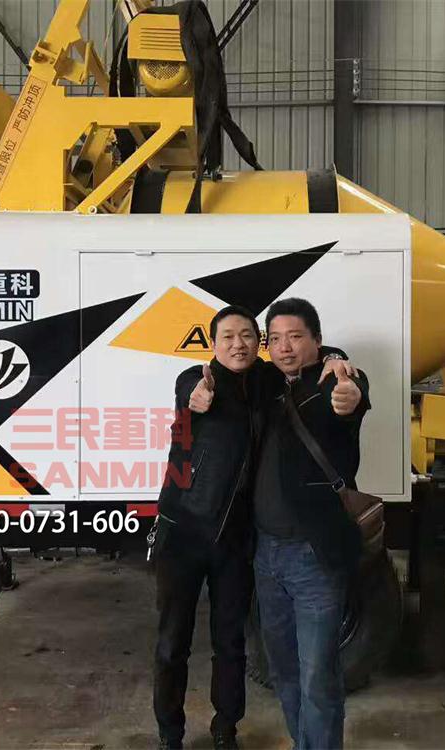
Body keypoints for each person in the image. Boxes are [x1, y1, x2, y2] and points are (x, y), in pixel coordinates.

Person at [152, 304, 354, 750]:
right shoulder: (198, 381)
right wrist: (193, 395)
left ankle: (226, 727)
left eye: (247, 335)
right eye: (227, 337)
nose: (238, 344)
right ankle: (170, 733)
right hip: (184, 533)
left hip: (235, 540)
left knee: (231, 644)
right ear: (213, 344)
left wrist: (336, 357)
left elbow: (306, 361)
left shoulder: (266, 382)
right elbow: (188, 390)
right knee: (172, 644)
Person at [251, 297, 370, 750]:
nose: (285, 347)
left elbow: (351, 396)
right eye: (276, 339)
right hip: (265, 555)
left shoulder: (332, 381)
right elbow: (210, 373)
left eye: (296, 337)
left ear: (316, 340)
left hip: (313, 556)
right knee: (282, 669)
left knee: (318, 675)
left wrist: (347, 391)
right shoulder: (266, 385)